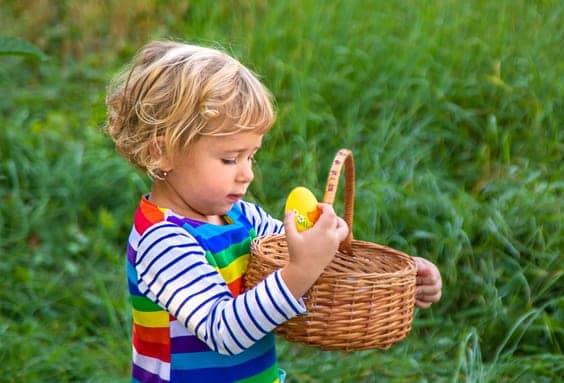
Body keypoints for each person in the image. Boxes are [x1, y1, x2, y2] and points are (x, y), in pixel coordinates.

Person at [104, 41, 444, 382]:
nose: (247, 173)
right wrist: (302, 268)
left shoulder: (242, 216)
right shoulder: (162, 239)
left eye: (251, 156)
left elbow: (313, 261)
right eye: (229, 159)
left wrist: (395, 282)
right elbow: (224, 331)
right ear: (161, 153)